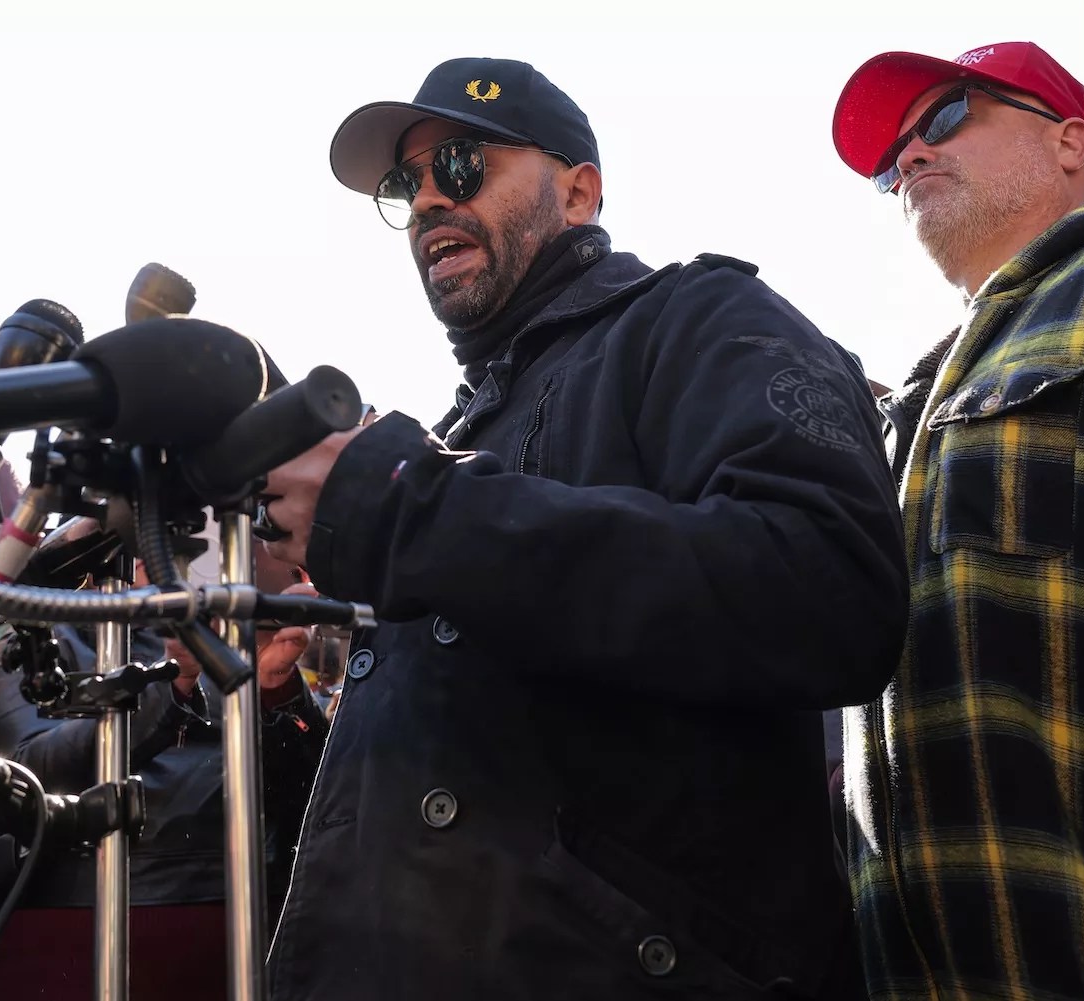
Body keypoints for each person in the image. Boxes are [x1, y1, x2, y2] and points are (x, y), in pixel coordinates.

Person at [254, 57, 908, 999]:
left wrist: (402, 502)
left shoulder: (701, 318)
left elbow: (829, 589)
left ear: (580, 189)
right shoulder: (460, 425)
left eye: (464, 163)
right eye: (408, 184)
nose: (431, 197)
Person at [830, 41, 1084, 1000]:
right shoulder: (913, 397)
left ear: (1074, 139)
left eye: (949, 115)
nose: (912, 153)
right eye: (894, 159)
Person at [0, 545, 328, 1000]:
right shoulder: (40, 645)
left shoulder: (231, 638)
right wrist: (173, 687)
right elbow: (21, 776)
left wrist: (274, 689)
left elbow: (313, 796)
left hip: (244, 926)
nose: (154, 560)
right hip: (83, 924)